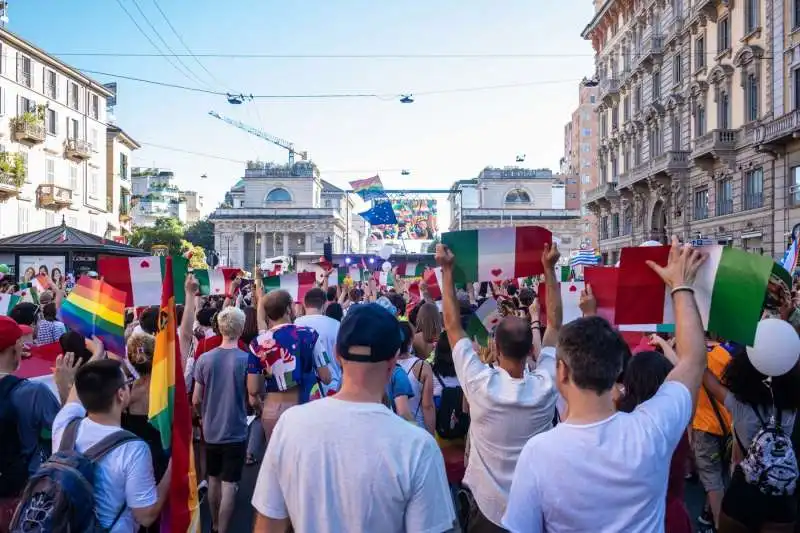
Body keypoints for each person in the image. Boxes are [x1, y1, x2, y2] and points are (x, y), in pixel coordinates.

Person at [503, 236, 707, 532]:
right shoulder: (650, 430)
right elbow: (693, 360)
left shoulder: (538, 454)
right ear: (617, 372)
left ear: (561, 373)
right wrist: (680, 285)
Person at [250, 303, 456, 532]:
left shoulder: (290, 425)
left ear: (337, 354)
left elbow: (268, 524)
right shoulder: (419, 447)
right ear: (393, 360)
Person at [436, 242, 561, 532]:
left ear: (495, 347)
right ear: (532, 348)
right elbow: (554, 325)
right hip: (533, 510)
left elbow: (452, 326)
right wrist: (549, 270)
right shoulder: (545, 385)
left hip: (488, 511)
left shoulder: (480, 383)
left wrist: (447, 270)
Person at [51, 353, 171, 532]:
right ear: (121, 394)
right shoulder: (133, 449)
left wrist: (96, 353)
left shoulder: (64, 424)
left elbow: (78, 390)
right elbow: (145, 515)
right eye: (128, 381)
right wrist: (173, 467)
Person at [703, 343, 800, 531]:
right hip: (782, 495)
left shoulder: (738, 405)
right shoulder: (792, 408)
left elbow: (704, 375)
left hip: (743, 492)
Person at [618, 350, 692, 533]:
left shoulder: (620, 424)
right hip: (671, 516)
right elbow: (690, 365)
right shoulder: (676, 421)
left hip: (632, 519)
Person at [193, 307, 249, 533]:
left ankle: (214, 524)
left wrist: (201, 415)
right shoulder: (246, 359)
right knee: (230, 484)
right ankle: (222, 529)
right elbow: (253, 395)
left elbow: (196, 397)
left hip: (211, 428)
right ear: (241, 328)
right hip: (236, 428)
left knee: (213, 479)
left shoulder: (205, 359)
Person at [248, 289, 330, 442]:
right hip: (308, 406)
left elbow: (253, 389)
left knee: (279, 462)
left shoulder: (258, 343)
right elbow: (326, 377)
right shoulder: (310, 334)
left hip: (274, 409)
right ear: (288, 309)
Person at [0, 316, 58, 529]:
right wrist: (65, 385)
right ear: (14, 349)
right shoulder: (32, 392)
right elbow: (66, 429)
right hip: (22, 495)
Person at [123, 333, 169, 533]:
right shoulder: (166, 390)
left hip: (133, 456)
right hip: (161, 453)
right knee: (162, 504)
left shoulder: (125, 392)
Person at [691, 338, 734, 530]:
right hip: (727, 426)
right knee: (722, 474)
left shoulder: (693, 360)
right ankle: (708, 515)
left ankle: (719, 525)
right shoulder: (726, 355)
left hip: (704, 429)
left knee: (712, 480)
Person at [295, 287, 342, 395]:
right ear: (325, 304)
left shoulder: (295, 325)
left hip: (304, 389)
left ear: (304, 304)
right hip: (332, 387)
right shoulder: (336, 325)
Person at [396, 321, 436, 434]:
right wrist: (431, 436)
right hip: (417, 429)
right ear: (410, 340)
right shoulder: (423, 367)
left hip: (392, 430)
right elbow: (427, 406)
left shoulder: (384, 365)